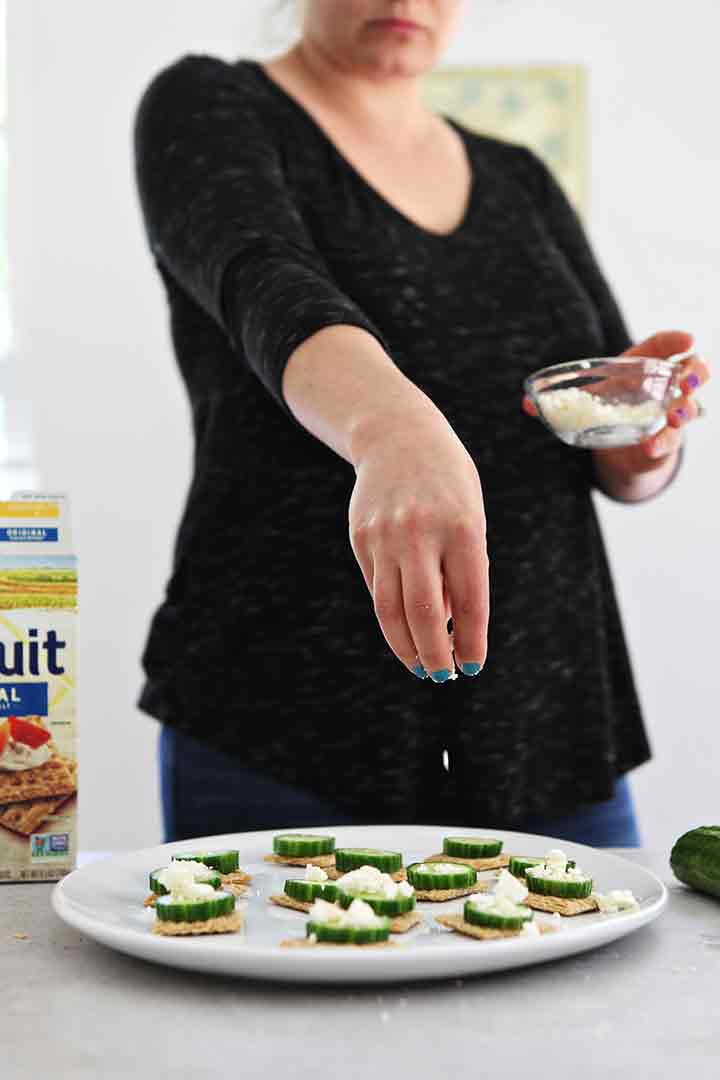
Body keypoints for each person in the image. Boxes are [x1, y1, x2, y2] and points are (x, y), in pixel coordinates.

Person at [134, 0, 709, 846]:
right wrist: (395, 432)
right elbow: (263, 275)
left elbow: (606, 439)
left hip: (547, 721)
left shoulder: (518, 177)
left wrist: (643, 440)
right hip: (283, 713)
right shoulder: (212, 103)